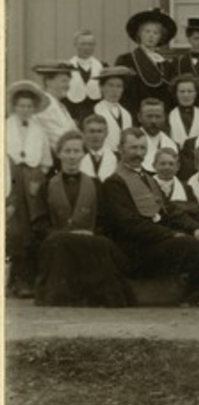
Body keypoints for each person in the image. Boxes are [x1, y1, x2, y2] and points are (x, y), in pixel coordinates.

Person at [101, 127, 199, 305]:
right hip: (134, 248)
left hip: (154, 240)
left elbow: (171, 211)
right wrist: (171, 234)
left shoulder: (148, 179)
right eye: (133, 148)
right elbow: (128, 225)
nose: (138, 153)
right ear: (121, 149)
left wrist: (196, 228)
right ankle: (197, 293)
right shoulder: (115, 183)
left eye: (142, 148)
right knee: (186, 243)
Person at [32, 130, 134, 307]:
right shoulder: (47, 186)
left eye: (76, 151)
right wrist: (61, 233)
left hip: (89, 241)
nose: (72, 157)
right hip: (59, 244)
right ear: (59, 154)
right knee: (58, 243)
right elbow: (40, 222)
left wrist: (91, 232)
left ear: (83, 154)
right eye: (67, 151)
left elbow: (105, 219)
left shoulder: (96, 185)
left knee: (102, 244)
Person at [6, 81, 51, 296]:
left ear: (34, 109)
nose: (25, 110)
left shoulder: (39, 130)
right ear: (14, 107)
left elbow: (46, 160)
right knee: (15, 228)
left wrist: (38, 178)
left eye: (29, 106)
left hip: (32, 180)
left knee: (33, 228)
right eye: (21, 106)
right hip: (9, 178)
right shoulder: (4, 126)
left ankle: (29, 279)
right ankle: (15, 279)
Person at [115, 9, 178, 112]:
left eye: (155, 33)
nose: (151, 36)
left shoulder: (166, 64)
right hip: (136, 111)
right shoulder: (126, 60)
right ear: (140, 34)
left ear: (160, 37)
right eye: (147, 31)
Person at [92, 66, 136, 151]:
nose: (115, 90)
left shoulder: (126, 114)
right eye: (111, 85)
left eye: (119, 86)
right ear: (101, 87)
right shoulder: (95, 110)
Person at [65, 29, 104, 122]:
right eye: (83, 44)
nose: (87, 47)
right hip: (73, 111)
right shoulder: (66, 67)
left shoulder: (102, 67)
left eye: (90, 44)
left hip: (96, 110)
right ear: (75, 45)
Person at [135, 98, 174, 173]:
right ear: (139, 117)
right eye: (149, 116)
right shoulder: (130, 144)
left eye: (158, 116)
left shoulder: (171, 144)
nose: (154, 121)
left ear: (164, 117)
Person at [79, 114, 117, 181]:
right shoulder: (76, 156)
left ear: (106, 133)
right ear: (83, 133)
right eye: (91, 131)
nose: (95, 135)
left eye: (99, 131)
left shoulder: (117, 157)